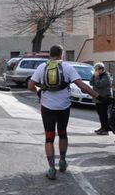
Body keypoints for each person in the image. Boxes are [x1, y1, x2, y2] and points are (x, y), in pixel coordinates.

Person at [28, 45, 102, 180]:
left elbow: (30, 86)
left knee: (49, 137)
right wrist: (98, 96)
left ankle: (51, 168)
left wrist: (39, 91)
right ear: (61, 54)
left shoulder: (41, 67)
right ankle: (62, 161)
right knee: (62, 133)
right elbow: (82, 86)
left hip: (47, 107)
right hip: (64, 107)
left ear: (49, 54)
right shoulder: (68, 67)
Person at [89, 62, 113, 135]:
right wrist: (94, 76)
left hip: (104, 99)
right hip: (98, 99)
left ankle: (105, 129)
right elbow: (91, 83)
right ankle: (102, 127)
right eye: (95, 69)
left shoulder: (106, 76)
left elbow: (100, 84)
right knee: (100, 114)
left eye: (97, 69)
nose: (95, 71)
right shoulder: (98, 75)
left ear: (101, 69)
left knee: (104, 115)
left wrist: (96, 77)